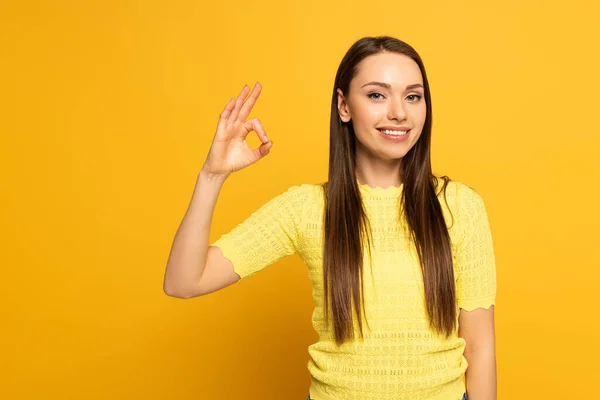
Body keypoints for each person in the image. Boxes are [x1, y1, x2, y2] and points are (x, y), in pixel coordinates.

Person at [163, 36, 497, 400]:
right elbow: (183, 281)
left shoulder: (460, 206)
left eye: (413, 96)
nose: (399, 112)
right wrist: (212, 176)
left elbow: (479, 345)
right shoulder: (305, 209)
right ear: (344, 106)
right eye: (376, 95)